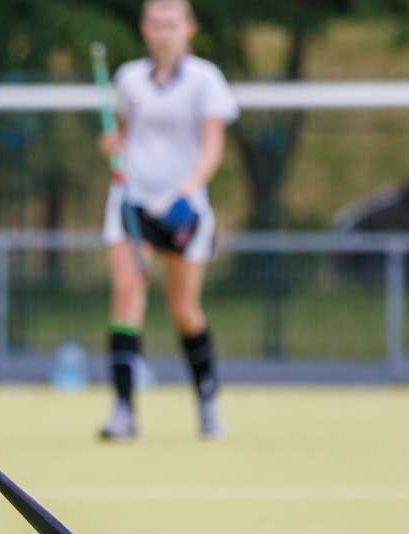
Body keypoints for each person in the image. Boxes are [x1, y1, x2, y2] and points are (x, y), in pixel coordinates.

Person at [97, 0, 239, 442]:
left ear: (189, 29)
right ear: (145, 28)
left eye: (172, 24)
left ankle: (207, 400)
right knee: (127, 295)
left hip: (182, 207)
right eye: (156, 23)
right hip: (131, 200)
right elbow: (122, 134)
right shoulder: (128, 79)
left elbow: (212, 147)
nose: (164, 31)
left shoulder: (205, 80)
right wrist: (112, 145)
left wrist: (186, 190)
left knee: (184, 309)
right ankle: (124, 410)